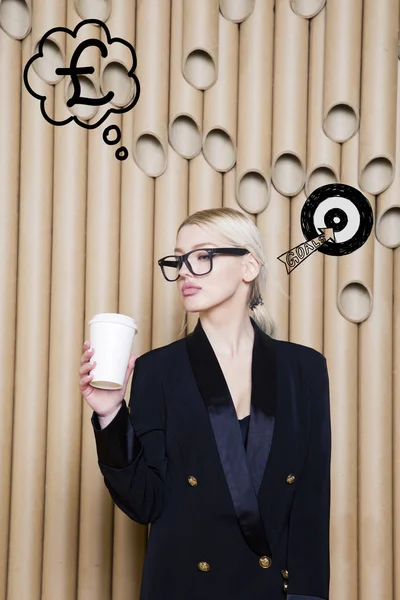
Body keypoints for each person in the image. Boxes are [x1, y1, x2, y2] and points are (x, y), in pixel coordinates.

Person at [79, 207, 331, 600]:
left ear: (248, 266)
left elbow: (310, 504)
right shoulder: (157, 370)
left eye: (202, 256)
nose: (183, 271)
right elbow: (145, 502)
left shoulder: (305, 369)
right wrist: (110, 412)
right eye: (179, 259)